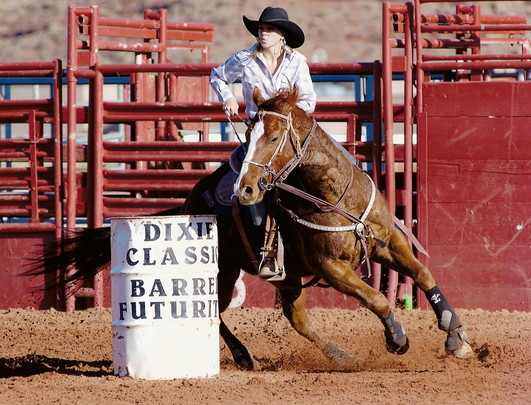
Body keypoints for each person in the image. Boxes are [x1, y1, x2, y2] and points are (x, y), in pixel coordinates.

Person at [210, 7, 316, 282]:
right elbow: (218, 76)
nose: (263, 32)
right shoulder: (244, 59)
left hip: (287, 135)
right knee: (250, 180)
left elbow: (308, 101)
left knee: (323, 169)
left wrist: (282, 115)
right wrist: (228, 97)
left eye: (269, 29)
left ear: (282, 35)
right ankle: (265, 248)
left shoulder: (297, 62)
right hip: (258, 133)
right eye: (260, 28)